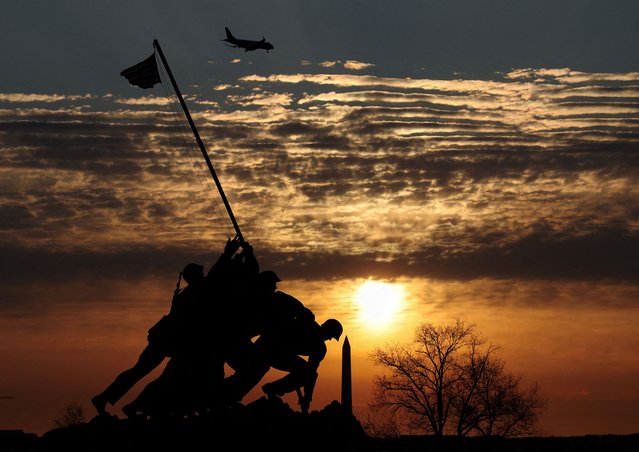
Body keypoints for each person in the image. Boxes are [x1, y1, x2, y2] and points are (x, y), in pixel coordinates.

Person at [90, 238, 240, 416]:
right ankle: (119, 401)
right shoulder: (193, 293)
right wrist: (227, 254)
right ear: (193, 277)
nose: (202, 275)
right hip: (167, 341)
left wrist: (232, 256)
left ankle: (112, 399)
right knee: (150, 373)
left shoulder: (189, 292)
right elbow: (215, 276)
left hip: (166, 340)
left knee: (142, 372)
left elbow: (215, 277)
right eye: (199, 274)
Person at [258, 318, 343, 413]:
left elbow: (310, 372)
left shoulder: (319, 346)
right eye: (331, 335)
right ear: (326, 329)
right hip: (271, 348)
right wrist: (307, 397)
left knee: (307, 373)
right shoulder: (309, 329)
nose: (330, 339)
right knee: (307, 373)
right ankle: (273, 388)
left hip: (275, 350)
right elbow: (310, 373)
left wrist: (307, 397)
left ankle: (273, 388)